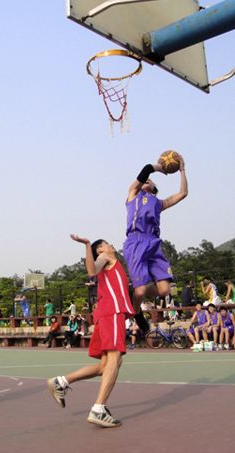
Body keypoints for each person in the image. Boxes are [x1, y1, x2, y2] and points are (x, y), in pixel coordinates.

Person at [48, 235, 135, 428]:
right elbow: (91, 270)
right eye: (106, 243)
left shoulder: (115, 264)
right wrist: (88, 245)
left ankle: (61, 381)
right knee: (114, 359)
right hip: (111, 313)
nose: (111, 244)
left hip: (107, 314)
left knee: (106, 366)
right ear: (100, 250)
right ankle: (98, 409)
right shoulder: (106, 258)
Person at [123, 154, 188, 333]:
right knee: (140, 292)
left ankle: (134, 291)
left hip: (153, 243)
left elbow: (183, 193)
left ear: (154, 188)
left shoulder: (158, 203)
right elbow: (146, 170)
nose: (147, 180)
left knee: (165, 289)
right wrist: (160, 167)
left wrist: (182, 170)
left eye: (149, 181)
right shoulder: (133, 194)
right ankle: (136, 312)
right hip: (136, 241)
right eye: (145, 180)